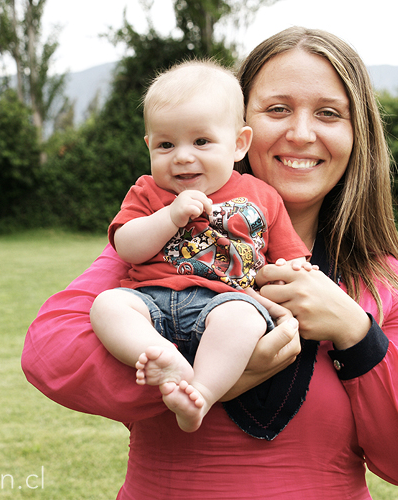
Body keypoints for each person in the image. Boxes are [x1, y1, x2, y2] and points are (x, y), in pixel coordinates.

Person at [22, 26, 398, 499]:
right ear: (237, 124)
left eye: (329, 113)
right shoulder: (164, 238)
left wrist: (355, 330)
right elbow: (50, 352)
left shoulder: (378, 276)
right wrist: (209, 380)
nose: (301, 133)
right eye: (278, 109)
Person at [89, 60, 310, 435]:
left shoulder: (262, 196)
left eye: (201, 141)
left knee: (245, 319)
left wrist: (300, 269)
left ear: (239, 144)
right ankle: (164, 359)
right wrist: (169, 217)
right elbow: (126, 246)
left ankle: (200, 394)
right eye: (165, 144)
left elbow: (289, 256)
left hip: (224, 302)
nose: (183, 156)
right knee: (106, 306)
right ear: (149, 146)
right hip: (152, 302)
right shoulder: (147, 191)